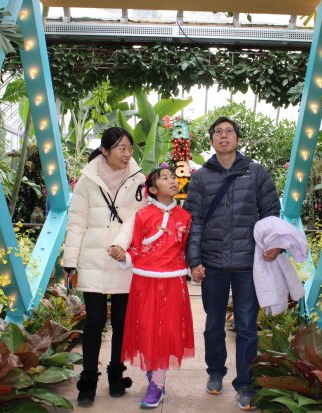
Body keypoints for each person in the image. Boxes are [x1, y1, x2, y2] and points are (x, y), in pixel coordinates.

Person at [183, 117, 282, 411]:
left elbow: (271, 212)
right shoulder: (201, 177)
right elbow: (194, 221)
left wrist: (274, 243)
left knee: (247, 327)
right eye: (218, 132)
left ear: (238, 139)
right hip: (212, 263)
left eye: (229, 132)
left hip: (247, 263)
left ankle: (246, 384)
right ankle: (215, 372)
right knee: (213, 323)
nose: (223, 136)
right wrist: (194, 259)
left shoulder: (256, 172)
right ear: (212, 141)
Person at [62, 127, 147, 405]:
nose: (127, 153)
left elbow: (139, 219)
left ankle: (115, 374)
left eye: (129, 148)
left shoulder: (139, 180)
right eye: (121, 148)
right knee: (95, 321)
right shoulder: (87, 180)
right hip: (94, 257)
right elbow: (76, 221)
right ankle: (88, 379)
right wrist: (70, 260)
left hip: (124, 260)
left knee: (122, 322)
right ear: (105, 150)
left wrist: (123, 246)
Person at [116, 166, 195, 409]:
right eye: (165, 178)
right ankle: (154, 372)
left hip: (173, 282)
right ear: (152, 189)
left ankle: (157, 384)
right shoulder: (142, 216)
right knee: (148, 328)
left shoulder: (185, 217)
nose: (172, 180)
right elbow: (137, 248)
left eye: (173, 177)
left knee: (167, 330)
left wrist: (195, 267)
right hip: (145, 282)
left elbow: (186, 250)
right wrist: (123, 256)